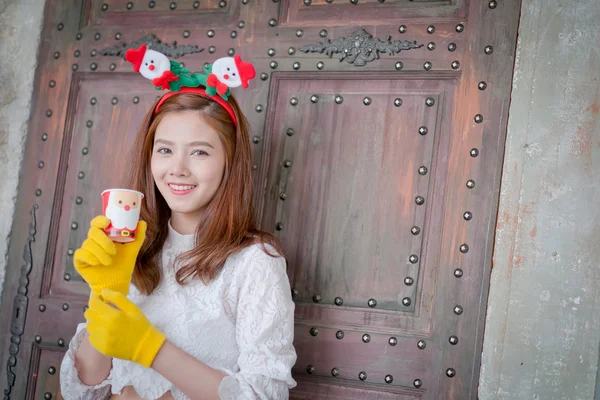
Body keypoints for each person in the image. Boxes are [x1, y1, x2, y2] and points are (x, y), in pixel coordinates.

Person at [59, 46, 297, 400]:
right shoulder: (131, 249)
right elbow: (80, 391)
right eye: (165, 149)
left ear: (229, 163)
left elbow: (264, 395)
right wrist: (106, 292)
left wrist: (151, 349)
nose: (178, 168)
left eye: (199, 151)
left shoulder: (254, 263)